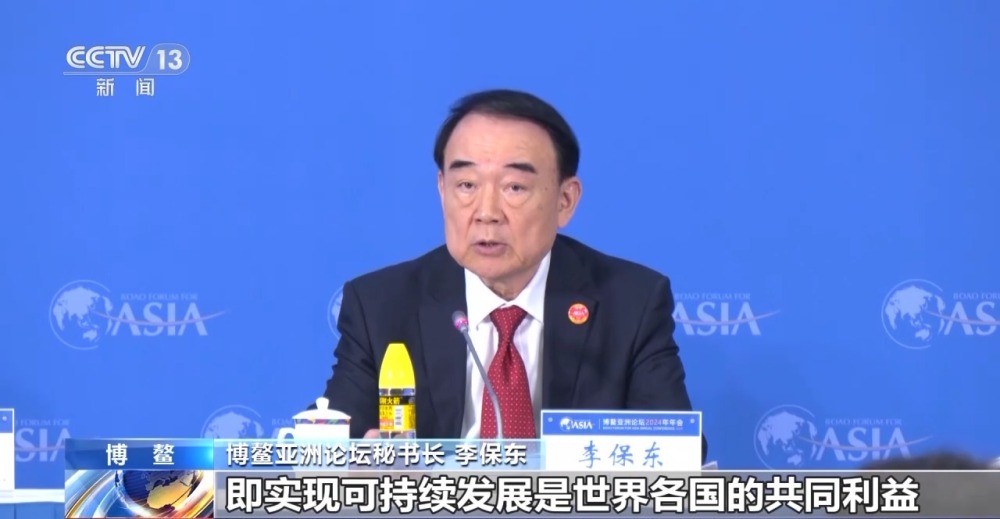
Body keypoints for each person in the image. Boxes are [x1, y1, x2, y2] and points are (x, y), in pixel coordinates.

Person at [322, 88, 704, 458]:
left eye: (515, 187)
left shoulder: (631, 303)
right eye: (466, 185)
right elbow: (331, 439)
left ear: (565, 201)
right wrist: (358, 459)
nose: (486, 212)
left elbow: (676, 450)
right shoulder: (381, 306)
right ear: (442, 189)